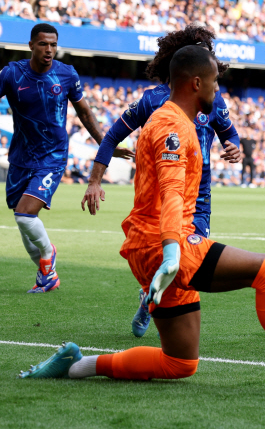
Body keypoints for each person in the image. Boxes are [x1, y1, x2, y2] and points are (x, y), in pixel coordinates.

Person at [20, 45, 265, 397]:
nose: (217, 89)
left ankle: (76, 366)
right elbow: (171, 192)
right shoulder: (173, 127)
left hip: (152, 244)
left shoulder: (172, 120)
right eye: (214, 82)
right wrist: (172, 252)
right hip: (165, 244)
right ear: (196, 82)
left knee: (180, 363)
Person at [81, 24, 242, 338]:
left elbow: (229, 133)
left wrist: (233, 147)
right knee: (176, 259)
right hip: (158, 197)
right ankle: (156, 303)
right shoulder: (152, 100)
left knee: (186, 261)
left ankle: (153, 301)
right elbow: (111, 136)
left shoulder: (214, 99)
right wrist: (94, 181)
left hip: (199, 197)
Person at [0, 23, 133, 293]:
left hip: (53, 156)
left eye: (54, 44)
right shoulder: (12, 73)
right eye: (44, 44)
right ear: (31, 45)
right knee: (22, 221)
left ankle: (48, 256)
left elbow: (85, 114)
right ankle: (48, 276)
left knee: (24, 214)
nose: (49, 50)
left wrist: (106, 144)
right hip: (21, 157)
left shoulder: (67, 74)